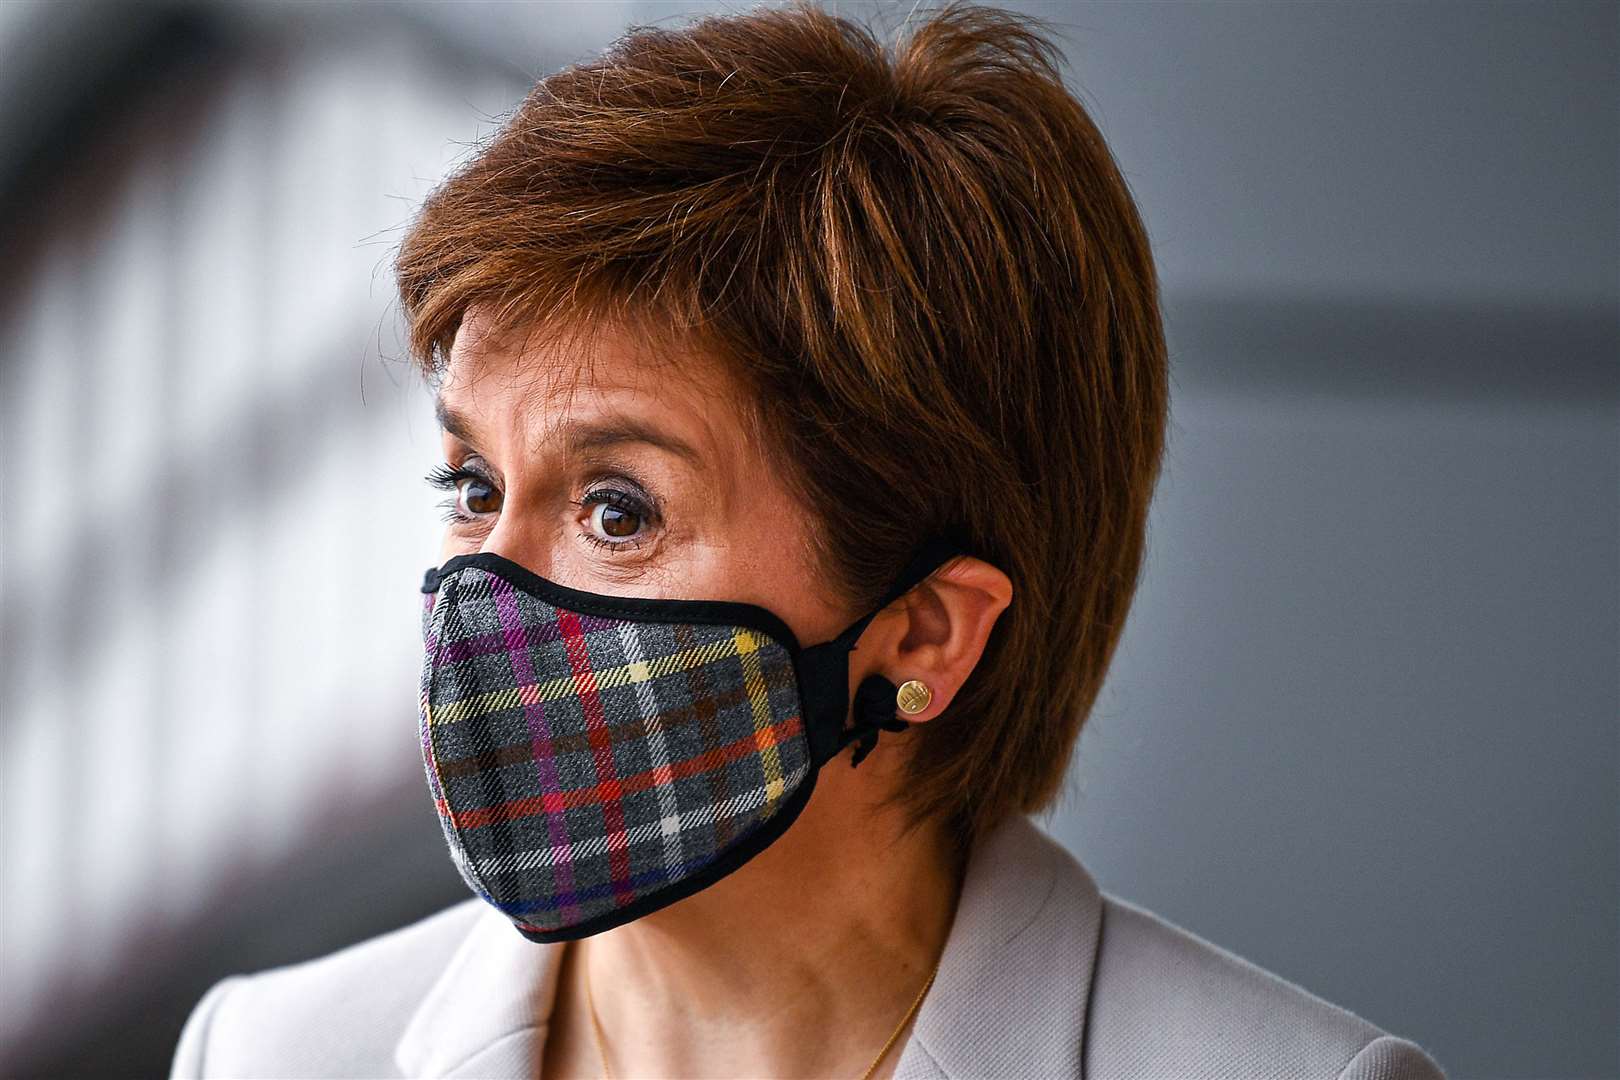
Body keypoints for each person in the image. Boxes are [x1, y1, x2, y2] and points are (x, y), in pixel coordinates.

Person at [170, 2, 1447, 1077]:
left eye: (619, 509)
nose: (487, 590)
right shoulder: (272, 1054)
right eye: (469, 483)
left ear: (923, 634)